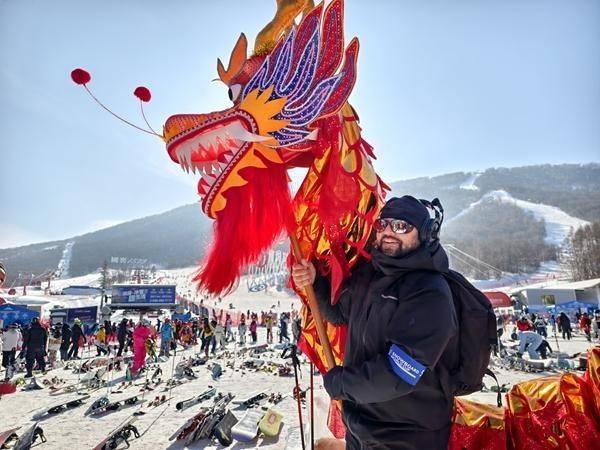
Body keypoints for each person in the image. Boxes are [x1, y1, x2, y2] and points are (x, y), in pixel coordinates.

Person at [292, 195, 458, 450]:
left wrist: (342, 384)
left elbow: (399, 373)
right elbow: (338, 315)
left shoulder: (429, 292)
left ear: (425, 234)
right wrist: (316, 282)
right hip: (360, 426)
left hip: (407, 435)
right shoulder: (368, 275)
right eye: (383, 225)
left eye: (402, 226)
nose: (389, 232)